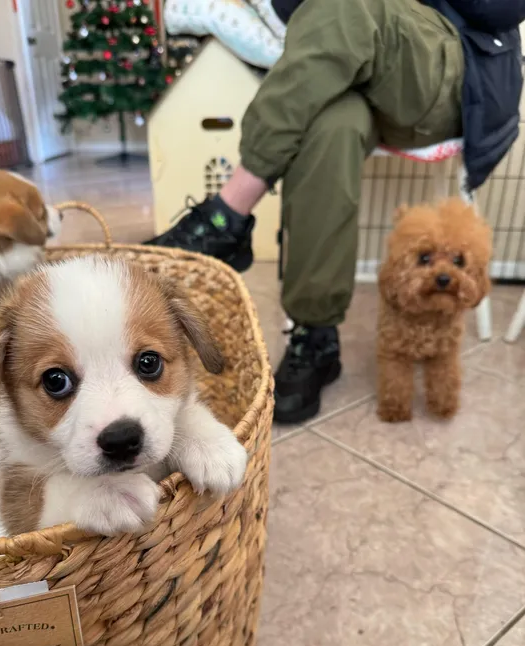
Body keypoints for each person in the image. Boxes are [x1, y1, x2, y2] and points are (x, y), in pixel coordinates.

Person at [147, 0, 525, 423]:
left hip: (457, 72)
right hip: (359, 76)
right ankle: (316, 336)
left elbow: (503, 8)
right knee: (328, 124)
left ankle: (225, 214)